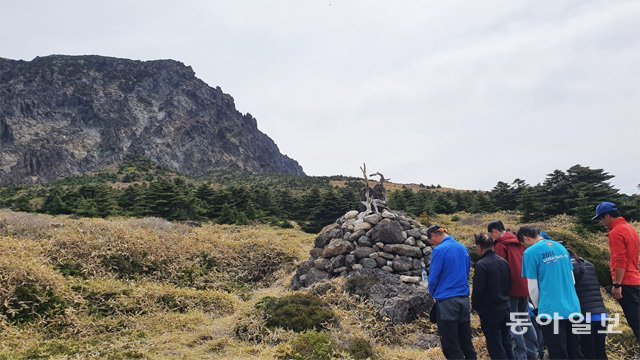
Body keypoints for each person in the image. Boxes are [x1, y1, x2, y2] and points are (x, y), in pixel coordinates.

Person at [517, 226, 584, 359]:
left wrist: (536, 309)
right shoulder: (560, 247)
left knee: (558, 352)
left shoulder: (530, 253)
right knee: (575, 351)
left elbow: (532, 287)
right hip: (573, 307)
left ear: (526, 238)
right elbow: (572, 280)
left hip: (550, 310)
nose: (523, 247)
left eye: (523, 244)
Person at [488, 220, 538, 360]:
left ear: (495, 232)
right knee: (525, 320)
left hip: (510, 290)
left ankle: (520, 356)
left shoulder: (500, 245)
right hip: (525, 286)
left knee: (515, 325)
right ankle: (533, 353)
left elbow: (500, 270)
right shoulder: (519, 242)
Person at [593, 201, 640, 344]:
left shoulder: (616, 232)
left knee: (636, 321)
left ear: (607, 216)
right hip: (636, 278)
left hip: (626, 281)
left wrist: (617, 284)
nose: (601, 222)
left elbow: (620, 259)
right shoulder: (629, 228)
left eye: (601, 218)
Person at [427, 225, 477, 359]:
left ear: (434, 235)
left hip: (447, 300)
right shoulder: (462, 248)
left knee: (450, 343)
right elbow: (467, 271)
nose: (433, 244)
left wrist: (432, 292)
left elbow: (433, 277)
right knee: (465, 340)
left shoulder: (439, 250)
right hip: (464, 299)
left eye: (432, 241)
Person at [472, 234, 514, 359]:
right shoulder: (503, 261)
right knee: (506, 342)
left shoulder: (481, 265)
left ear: (479, 247)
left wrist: (476, 306)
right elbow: (509, 283)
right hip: (506, 306)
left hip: (490, 311)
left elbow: (478, 291)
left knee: (495, 345)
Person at [567, 248, 609, 359]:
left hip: (585, 316)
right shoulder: (588, 264)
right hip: (601, 315)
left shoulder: (569, 268)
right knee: (600, 351)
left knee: (588, 351)